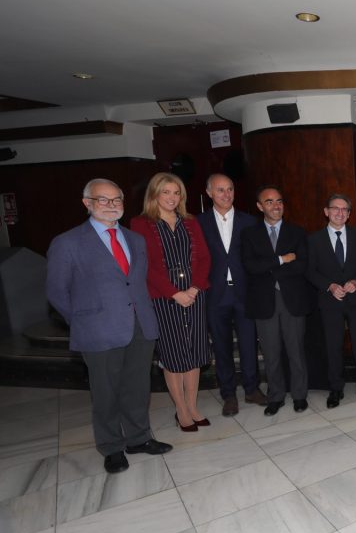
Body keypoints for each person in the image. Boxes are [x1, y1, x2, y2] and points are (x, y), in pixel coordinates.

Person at [47, 179, 171, 474]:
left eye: (117, 199)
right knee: (105, 393)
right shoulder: (67, 243)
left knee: (137, 388)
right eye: (103, 199)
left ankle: (139, 438)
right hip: (98, 330)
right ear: (87, 203)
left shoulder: (135, 239)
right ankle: (112, 447)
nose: (111, 205)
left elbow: (135, 283)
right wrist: (83, 320)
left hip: (140, 326)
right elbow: (57, 292)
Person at [131, 172, 212, 432]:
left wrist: (194, 288)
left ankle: (193, 406)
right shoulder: (140, 224)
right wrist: (174, 293)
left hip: (195, 295)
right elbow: (145, 265)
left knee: (194, 354)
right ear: (154, 194)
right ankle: (181, 410)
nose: (172, 197)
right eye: (166, 192)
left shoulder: (190, 221)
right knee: (174, 356)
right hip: (164, 299)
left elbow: (204, 258)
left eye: (176, 193)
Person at [197, 173, 266, 416]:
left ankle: (252, 389)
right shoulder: (198, 223)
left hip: (244, 292)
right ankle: (228, 394)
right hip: (215, 293)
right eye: (220, 190)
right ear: (209, 193)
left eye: (230, 189)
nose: (226, 194)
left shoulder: (250, 221)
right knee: (221, 346)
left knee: (248, 343)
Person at [240, 186, 312, 415]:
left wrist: (269, 267)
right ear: (260, 206)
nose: (276, 206)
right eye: (269, 202)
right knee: (271, 353)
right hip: (264, 301)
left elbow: (301, 265)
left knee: (296, 351)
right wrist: (281, 260)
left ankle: (299, 395)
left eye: (279, 201)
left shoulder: (297, 232)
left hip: (292, 299)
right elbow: (251, 266)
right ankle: (276, 396)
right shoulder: (249, 234)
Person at [307, 193, 356, 408]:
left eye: (344, 210)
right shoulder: (314, 239)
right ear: (326, 211)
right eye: (335, 208)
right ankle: (336, 388)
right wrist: (329, 286)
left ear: (348, 214)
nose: (339, 213)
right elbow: (310, 271)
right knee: (333, 346)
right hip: (330, 301)